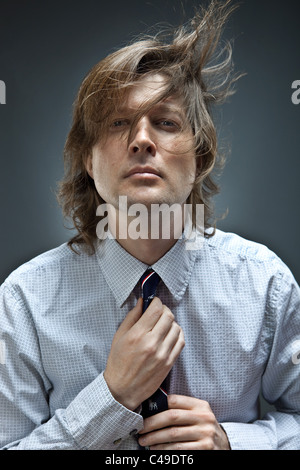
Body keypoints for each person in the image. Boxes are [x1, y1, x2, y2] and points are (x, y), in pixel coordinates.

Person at [0, 0, 299, 450]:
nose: (142, 139)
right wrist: (111, 397)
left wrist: (233, 443)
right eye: (119, 122)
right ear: (88, 158)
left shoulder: (266, 286)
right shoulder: (23, 302)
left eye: (165, 122)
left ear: (200, 158)